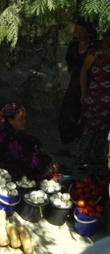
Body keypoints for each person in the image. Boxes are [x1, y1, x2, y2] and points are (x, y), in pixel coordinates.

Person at [0, 103, 56, 181]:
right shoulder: (3, 141)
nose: (24, 121)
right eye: (20, 119)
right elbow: (17, 164)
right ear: (10, 120)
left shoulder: (23, 136)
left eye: (24, 118)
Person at [57, 18, 97, 156]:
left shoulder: (94, 48)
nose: (78, 34)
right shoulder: (73, 45)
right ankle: (67, 145)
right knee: (66, 112)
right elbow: (69, 62)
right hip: (74, 84)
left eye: (81, 31)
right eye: (76, 31)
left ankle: (81, 149)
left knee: (84, 116)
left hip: (91, 85)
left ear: (88, 32)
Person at [77, 29, 110, 177]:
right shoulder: (96, 52)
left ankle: (98, 164)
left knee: (103, 133)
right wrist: (84, 93)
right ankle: (81, 163)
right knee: (89, 131)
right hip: (94, 97)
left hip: (108, 102)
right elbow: (83, 71)